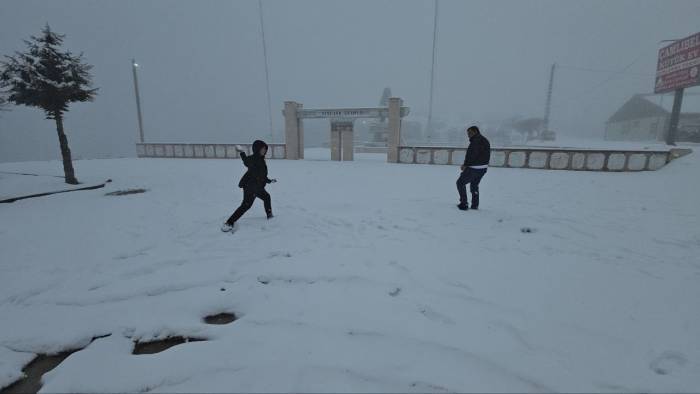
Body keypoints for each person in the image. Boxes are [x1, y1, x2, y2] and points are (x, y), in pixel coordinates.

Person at [222, 140, 277, 232]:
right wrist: (242, 152)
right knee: (246, 205)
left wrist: (269, 181)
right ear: (257, 149)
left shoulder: (261, 159)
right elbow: (246, 161)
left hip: (257, 186)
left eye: (265, 149)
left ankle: (270, 215)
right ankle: (229, 223)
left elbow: (262, 175)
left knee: (266, 197)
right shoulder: (254, 158)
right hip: (250, 186)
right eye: (262, 149)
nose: (264, 150)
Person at [456, 126, 490, 211]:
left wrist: (465, 165)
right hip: (483, 168)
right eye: (468, 133)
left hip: (474, 168)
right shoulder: (485, 140)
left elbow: (472, 155)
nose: (468, 135)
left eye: (470, 133)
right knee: (474, 185)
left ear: (475, 131)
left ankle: (464, 203)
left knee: (460, 183)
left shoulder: (476, 141)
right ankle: (475, 205)